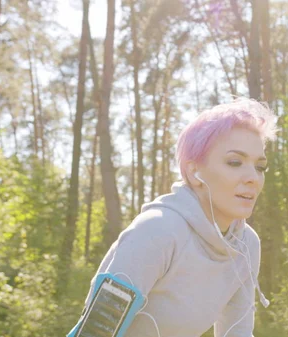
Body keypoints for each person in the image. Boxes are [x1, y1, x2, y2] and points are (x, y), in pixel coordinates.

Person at [83, 97, 277, 337]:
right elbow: (94, 332)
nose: (253, 178)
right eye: (235, 162)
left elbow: (237, 333)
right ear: (195, 173)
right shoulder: (157, 230)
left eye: (260, 167)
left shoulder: (246, 245)